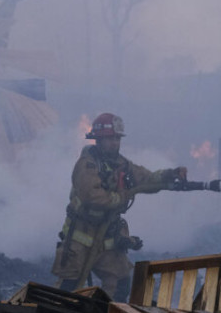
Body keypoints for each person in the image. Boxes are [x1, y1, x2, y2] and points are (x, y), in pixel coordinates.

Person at [51, 113, 187, 302]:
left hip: (106, 239)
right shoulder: (86, 165)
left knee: (120, 283)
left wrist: (170, 175)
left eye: (117, 138)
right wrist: (122, 196)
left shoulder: (121, 165)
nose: (115, 143)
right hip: (79, 240)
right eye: (110, 138)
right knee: (68, 289)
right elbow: (92, 196)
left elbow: (145, 179)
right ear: (98, 140)